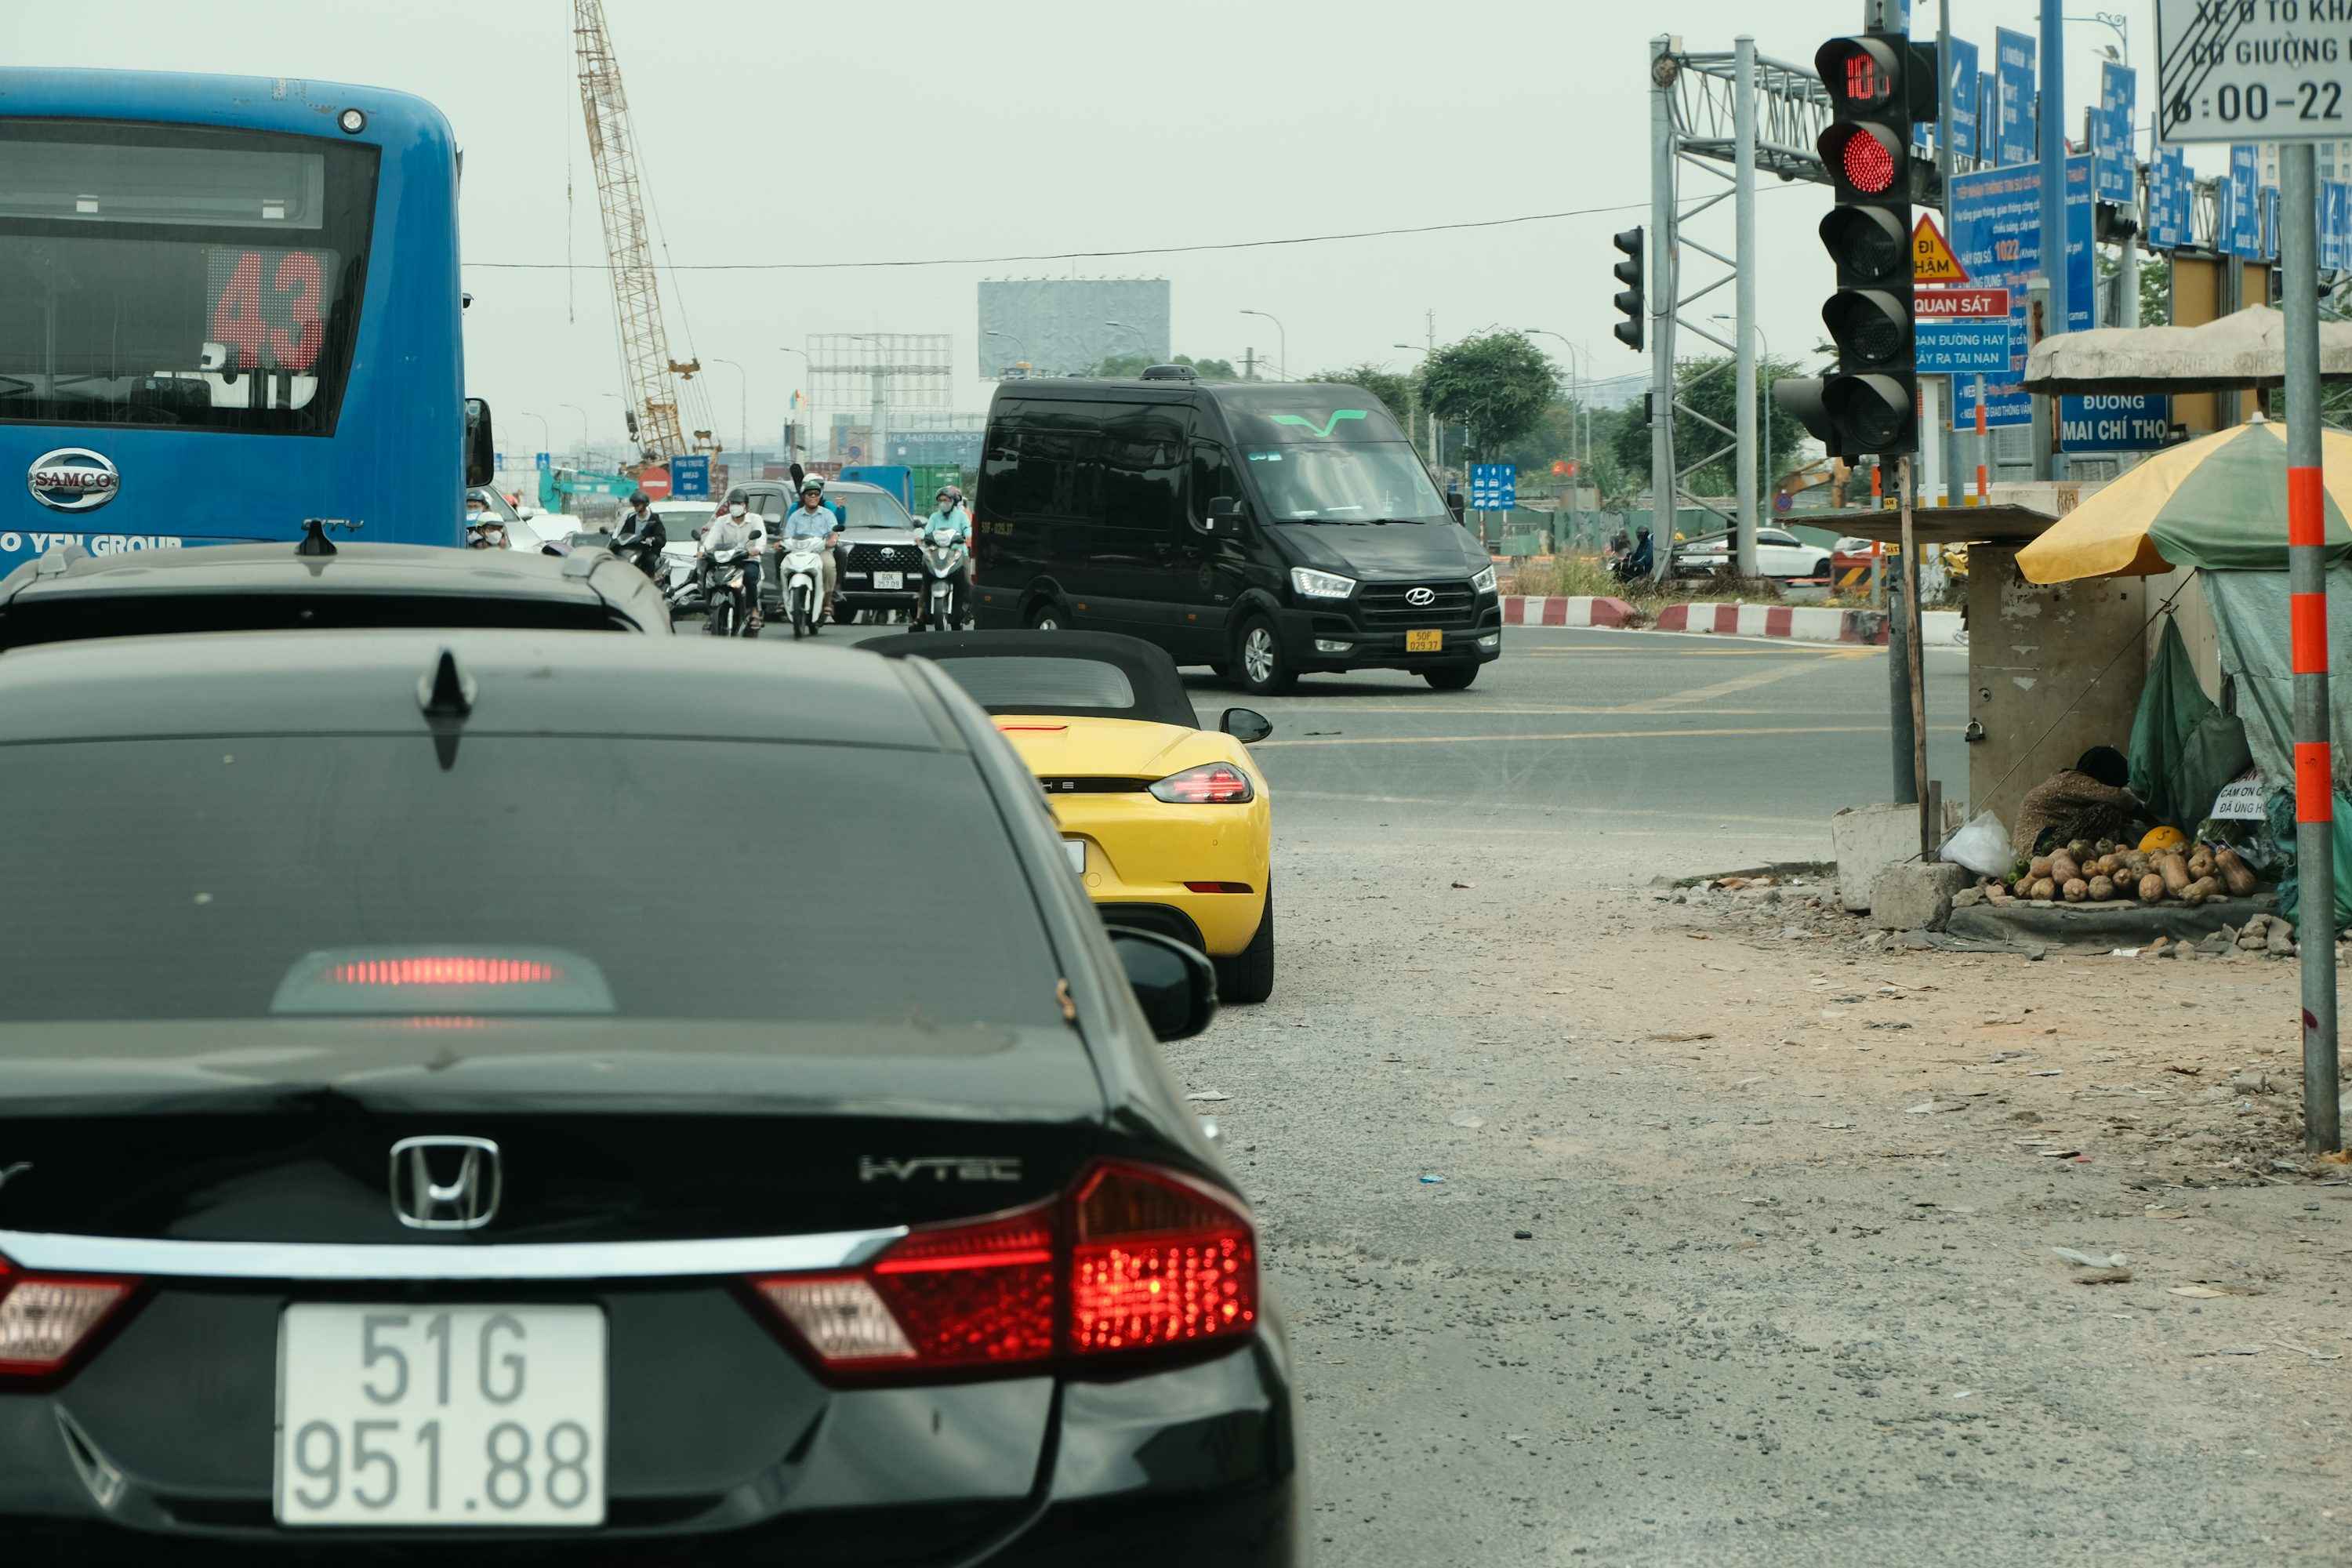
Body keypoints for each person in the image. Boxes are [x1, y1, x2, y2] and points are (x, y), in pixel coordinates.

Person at [2010, 745, 2143, 859]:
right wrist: (2153, 816)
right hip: (2040, 846)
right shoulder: (2073, 779)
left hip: (2036, 845)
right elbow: (2119, 798)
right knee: (2107, 812)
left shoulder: (2066, 781)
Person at [780, 476, 844, 615]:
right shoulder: (795, 515)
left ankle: (827, 601)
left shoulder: (827, 514)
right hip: (798, 551)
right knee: (784, 564)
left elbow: (834, 532)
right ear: (804, 496)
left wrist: (831, 540)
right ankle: (783, 595)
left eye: (816, 494)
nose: (813, 497)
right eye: (810, 494)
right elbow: (787, 535)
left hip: (821, 550)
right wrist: (782, 543)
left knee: (829, 565)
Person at [699, 499, 766, 629]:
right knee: (709, 576)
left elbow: (761, 539)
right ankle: (711, 613)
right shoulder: (722, 521)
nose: (736, 507)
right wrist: (703, 550)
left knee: (750, 577)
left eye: (739, 503)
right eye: (733, 503)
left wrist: (757, 549)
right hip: (725, 559)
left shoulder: (755, 519)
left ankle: (754, 612)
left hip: (747, 559)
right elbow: (711, 538)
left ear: (746, 505)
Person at [916, 484, 974, 628]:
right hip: (937, 553)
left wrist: (968, 536)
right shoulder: (935, 517)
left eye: (946, 500)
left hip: (957, 553)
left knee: (967, 583)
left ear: (953, 501)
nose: (943, 503)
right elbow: (927, 531)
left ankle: (967, 611)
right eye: (941, 500)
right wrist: (921, 536)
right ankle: (920, 615)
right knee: (925, 582)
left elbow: (967, 528)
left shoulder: (961, 516)